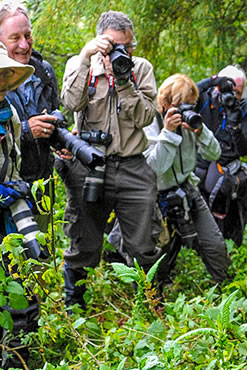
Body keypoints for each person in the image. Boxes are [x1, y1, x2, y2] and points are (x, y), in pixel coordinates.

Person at [57, 10, 161, 309]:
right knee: (84, 241)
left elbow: (144, 117)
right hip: (91, 164)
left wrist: (125, 80)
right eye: (115, 45)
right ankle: (74, 306)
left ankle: (150, 302)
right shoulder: (82, 66)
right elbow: (71, 102)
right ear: (101, 41)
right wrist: (85, 55)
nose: (123, 52)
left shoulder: (141, 69)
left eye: (128, 46)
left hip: (133, 164)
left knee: (144, 243)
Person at [140, 73, 231, 285]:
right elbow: (156, 168)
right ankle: (155, 297)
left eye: (190, 105)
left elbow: (214, 154)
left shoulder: (190, 121)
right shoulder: (150, 121)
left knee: (214, 243)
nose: (186, 111)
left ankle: (225, 287)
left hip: (186, 189)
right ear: (165, 102)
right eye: (181, 105)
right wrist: (169, 132)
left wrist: (200, 132)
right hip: (156, 195)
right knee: (157, 251)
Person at [0, 1, 63, 231]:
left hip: (41, 189)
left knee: (39, 259)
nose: (24, 45)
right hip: (6, 190)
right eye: (15, 38)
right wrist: (27, 131)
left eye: (28, 35)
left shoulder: (44, 71)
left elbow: (53, 111)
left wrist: (59, 138)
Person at [0, 41, 38, 369]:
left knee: (22, 287)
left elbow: (14, 165)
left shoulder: (9, 113)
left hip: (9, 216)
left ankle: (20, 368)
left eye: (4, 75)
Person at [195, 65, 247, 246]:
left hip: (227, 167)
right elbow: (181, 96)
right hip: (201, 163)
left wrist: (235, 126)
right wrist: (212, 82)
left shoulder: (244, 108)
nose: (233, 97)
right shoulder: (205, 99)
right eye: (229, 90)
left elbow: (244, 149)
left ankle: (227, 245)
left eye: (238, 92)